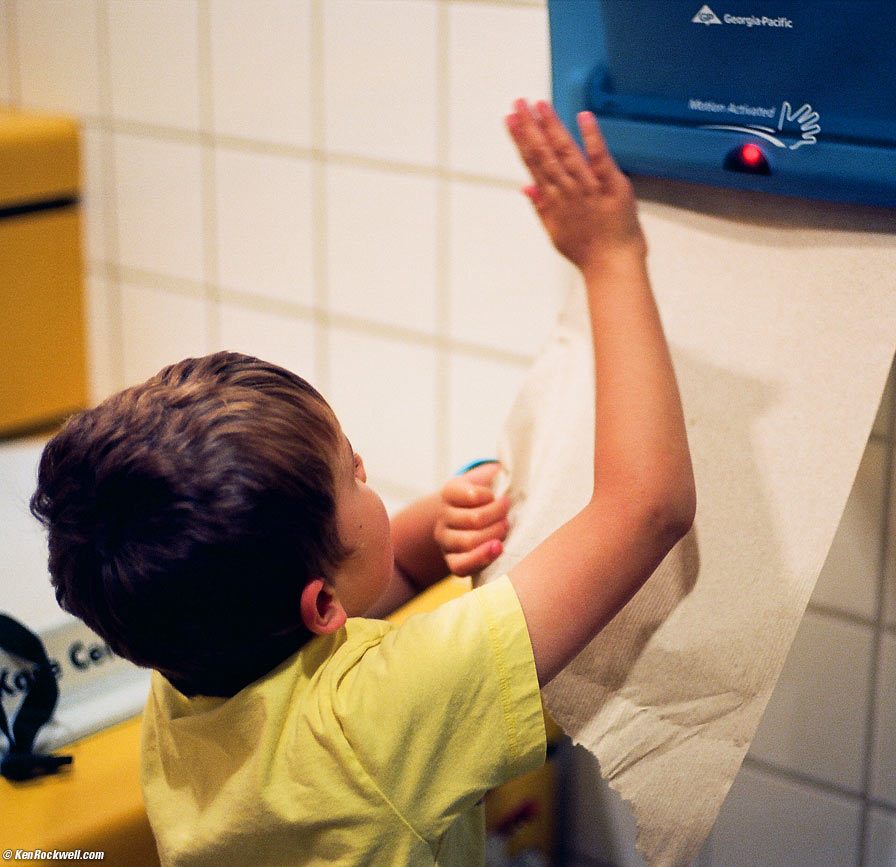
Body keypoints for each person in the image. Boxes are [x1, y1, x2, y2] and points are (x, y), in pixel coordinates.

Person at [30, 100, 695, 866]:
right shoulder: (376, 719)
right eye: (351, 471)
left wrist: (429, 530)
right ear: (319, 602)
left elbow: (375, 583)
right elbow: (649, 506)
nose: (367, 469)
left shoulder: (186, 676)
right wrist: (612, 256)